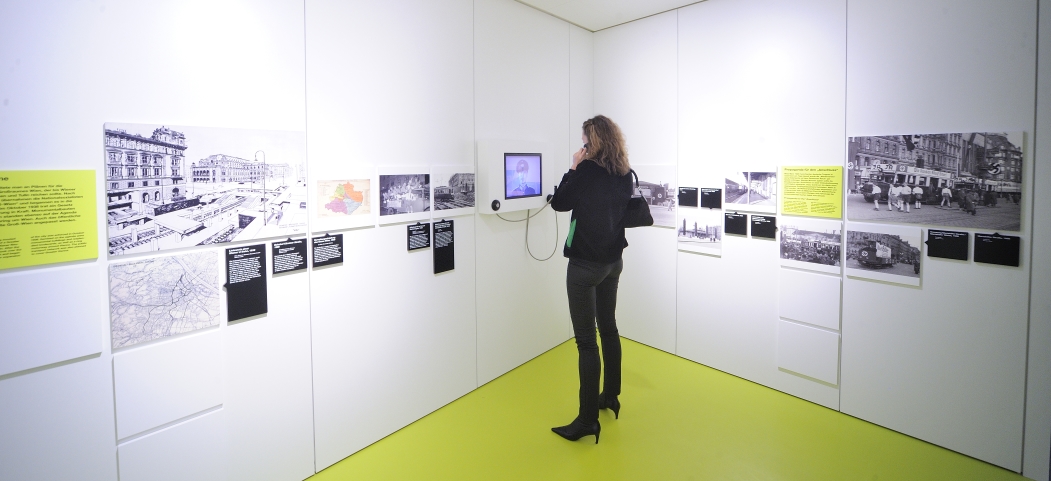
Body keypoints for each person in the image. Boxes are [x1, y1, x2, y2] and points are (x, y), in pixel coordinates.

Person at [549, 115, 633, 444]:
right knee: (608, 328)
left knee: (586, 343)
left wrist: (572, 167)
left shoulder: (586, 172)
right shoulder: (624, 173)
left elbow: (559, 203)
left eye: (584, 139)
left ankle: (587, 420)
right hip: (614, 262)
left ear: (591, 142)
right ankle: (610, 396)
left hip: (585, 266)